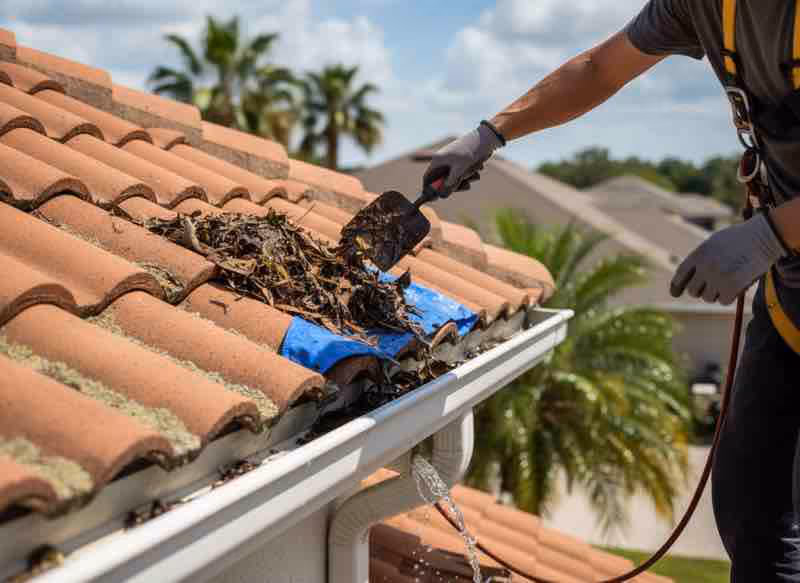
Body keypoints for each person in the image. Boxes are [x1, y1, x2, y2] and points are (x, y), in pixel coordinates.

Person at [424, 2, 800, 580]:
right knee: (754, 511)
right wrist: (490, 133)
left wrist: (770, 235)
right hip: (791, 301)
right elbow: (600, 68)